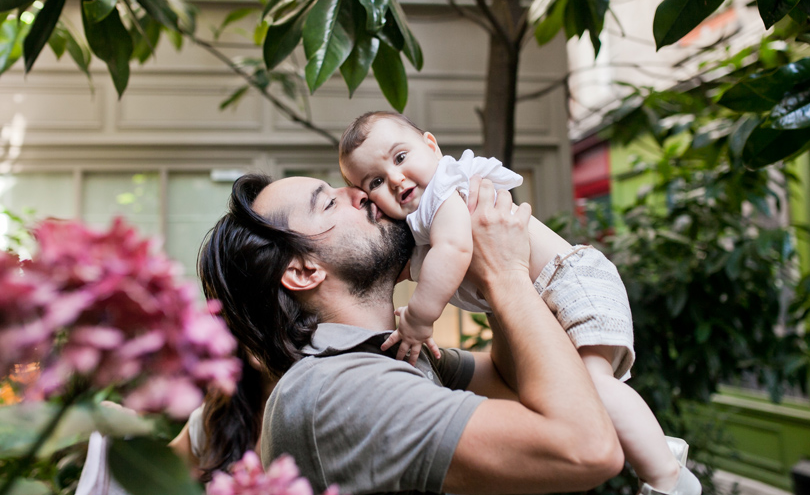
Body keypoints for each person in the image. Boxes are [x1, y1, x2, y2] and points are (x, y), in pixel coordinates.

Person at [192, 170, 624, 495]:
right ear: (304, 271)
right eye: (328, 203)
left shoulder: (384, 353)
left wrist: (478, 270)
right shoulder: (340, 388)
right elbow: (586, 448)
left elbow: (512, 383)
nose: (363, 192)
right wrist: (505, 274)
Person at [338, 111, 701, 495]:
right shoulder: (422, 219)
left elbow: (455, 250)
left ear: (431, 146)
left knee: (591, 387)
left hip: (571, 281)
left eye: (399, 158)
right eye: (375, 181)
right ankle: (658, 448)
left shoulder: (444, 190)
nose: (395, 179)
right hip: (554, 293)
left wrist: (419, 318)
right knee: (582, 390)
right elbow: (416, 266)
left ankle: (668, 478)